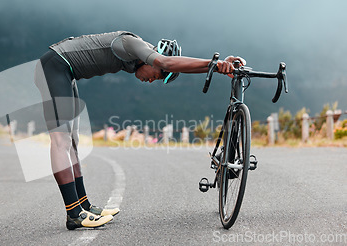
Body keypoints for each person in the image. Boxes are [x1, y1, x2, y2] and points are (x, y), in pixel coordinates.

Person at [35, 31, 246, 230]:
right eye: (158, 75)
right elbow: (167, 63)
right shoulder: (132, 43)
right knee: (61, 142)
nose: (153, 80)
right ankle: (74, 214)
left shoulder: (138, 57)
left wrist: (217, 67)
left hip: (65, 72)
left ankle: (84, 206)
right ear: (153, 59)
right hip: (55, 66)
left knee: (71, 143)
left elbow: (171, 65)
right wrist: (215, 64)